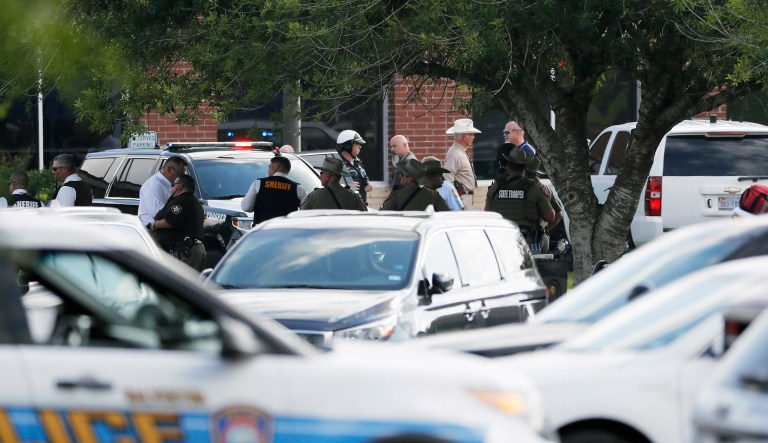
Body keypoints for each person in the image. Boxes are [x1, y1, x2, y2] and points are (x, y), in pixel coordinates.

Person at [485, 148, 555, 247]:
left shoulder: (496, 186)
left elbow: (488, 214)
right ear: (525, 166)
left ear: (508, 166)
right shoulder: (533, 187)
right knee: (544, 239)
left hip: (500, 240)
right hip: (526, 242)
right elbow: (550, 217)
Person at [150, 174, 206, 270]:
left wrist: (154, 224)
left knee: (180, 282)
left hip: (186, 252)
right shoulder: (194, 202)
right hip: (194, 249)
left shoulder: (181, 201)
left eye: (173, 185)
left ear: (180, 187)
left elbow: (170, 222)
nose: (171, 187)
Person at [242, 154, 307, 224]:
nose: (268, 170)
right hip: (286, 231)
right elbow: (306, 212)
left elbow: (246, 207)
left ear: (275, 166)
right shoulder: (298, 189)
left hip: (262, 230)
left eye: (269, 167)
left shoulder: (259, 183)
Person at [381, 159, 450, 211]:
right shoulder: (434, 195)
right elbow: (447, 216)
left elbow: (382, 214)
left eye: (402, 174)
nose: (399, 176)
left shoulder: (397, 195)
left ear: (409, 178)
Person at [138, 156, 187, 229]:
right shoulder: (154, 186)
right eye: (180, 174)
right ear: (169, 170)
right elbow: (160, 215)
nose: (181, 178)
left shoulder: (168, 185)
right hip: (153, 233)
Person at [302, 157, 367, 211]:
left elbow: (301, 214)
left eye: (321, 173)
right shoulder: (353, 196)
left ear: (327, 176)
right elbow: (364, 213)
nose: (320, 176)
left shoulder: (313, 196)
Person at [444, 118, 480, 210]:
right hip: (462, 199)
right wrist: (457, 199)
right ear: (463, 136)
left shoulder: (459, 151)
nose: (473, 137)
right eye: (471, 134)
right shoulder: (455, 153)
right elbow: (447, 180)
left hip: (465, 197)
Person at [336, 130, 373, 206]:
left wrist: (370, 185)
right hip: (347, 208)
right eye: (357, 143)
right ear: (348, 145)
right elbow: (330, 186)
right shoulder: (338, 164)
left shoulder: (358, 162)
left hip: (362, 207)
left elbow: (365, 181)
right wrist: (346, 187)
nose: (360, 146)